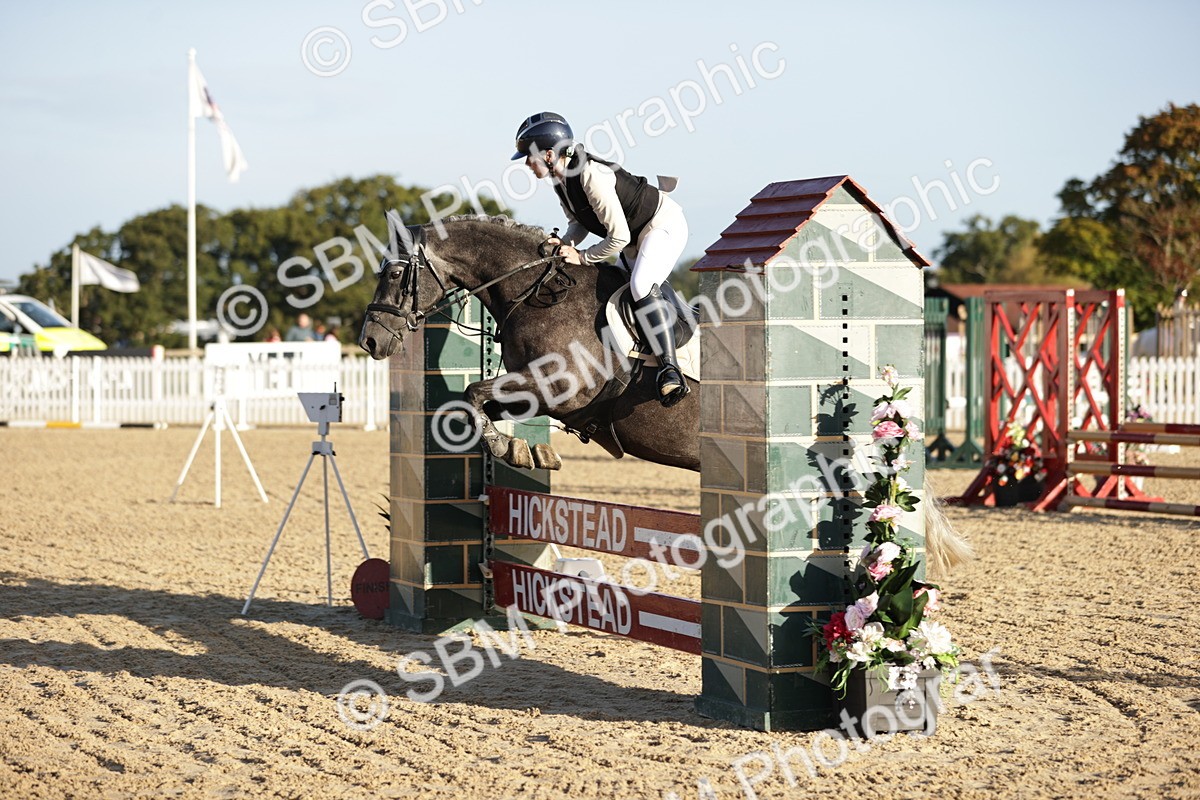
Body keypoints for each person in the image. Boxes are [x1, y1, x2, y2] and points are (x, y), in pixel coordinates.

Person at [511, 111, 690, 407]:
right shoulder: (561, 179)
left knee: (642, 284)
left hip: (662, 226)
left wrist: (581, 256)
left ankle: (671, 371)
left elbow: (617, 236)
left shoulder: (590, 174)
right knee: (613, 287)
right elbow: (578, 223)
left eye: (529, 158)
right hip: (636, 237)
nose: (528, 165)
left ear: (549, 154)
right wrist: (564, 244)